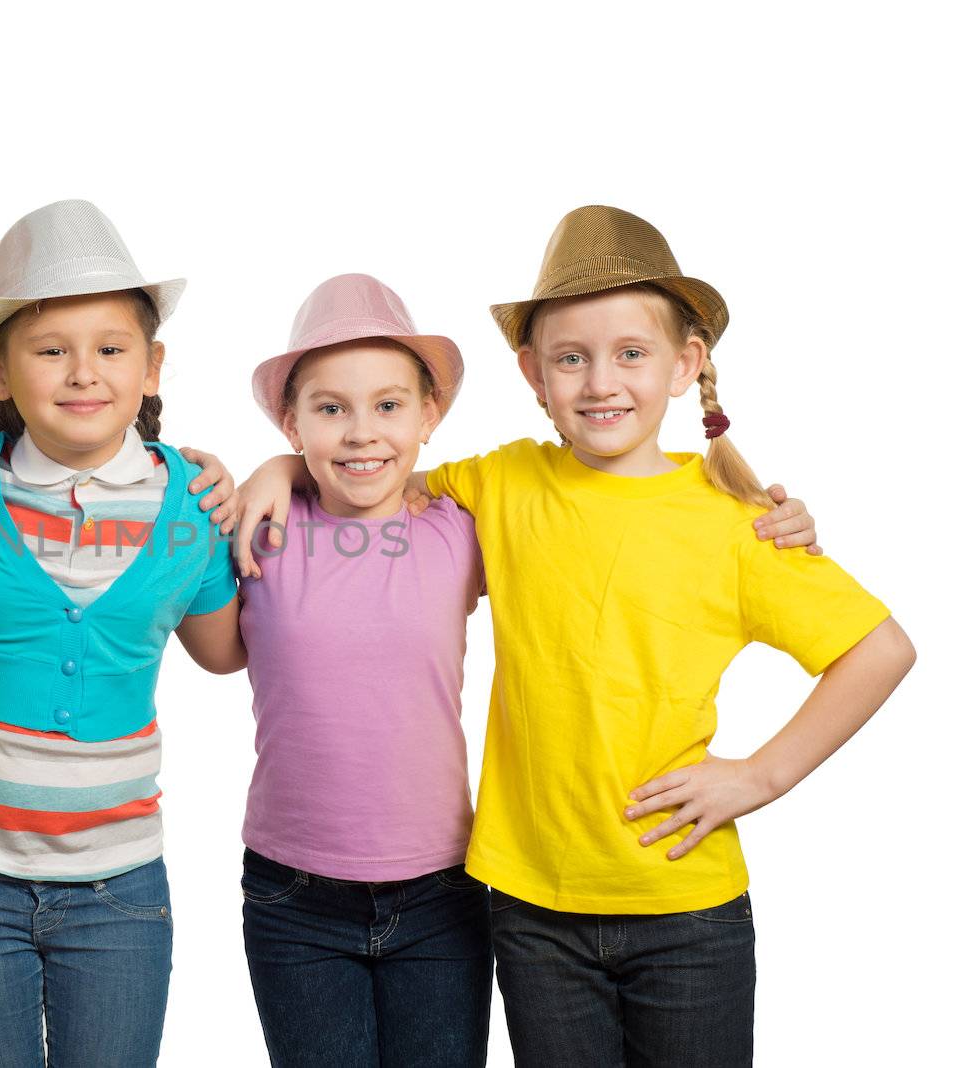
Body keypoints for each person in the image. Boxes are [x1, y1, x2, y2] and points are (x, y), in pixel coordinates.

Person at [238, 205, 914, 1066]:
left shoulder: (733, 523)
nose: (601, 382)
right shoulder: (503, 483)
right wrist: (280, 464)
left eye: (632, 353)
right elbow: (372, 467)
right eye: (571, 357)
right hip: (529, 909)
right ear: (533, 373)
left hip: (684, 906)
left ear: (685, 364)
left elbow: (879, 648)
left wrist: (760, 776)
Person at [0, 200, 245, 1067]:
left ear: (153, 368)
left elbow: (226, 654)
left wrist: (276, 486)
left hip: (118, 884)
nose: (83, 373)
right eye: (49, 351)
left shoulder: (193, 507)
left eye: (112, 350)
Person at [235, 273, 492, 1066]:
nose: (360, 433)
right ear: (292, 421)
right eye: (330, 408)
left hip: (442, 889)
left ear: (428, 416)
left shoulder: (465, 531)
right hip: (292, 894)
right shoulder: (259, 528)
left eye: (388, 406)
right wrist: (274, 470)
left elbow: (587, 491)